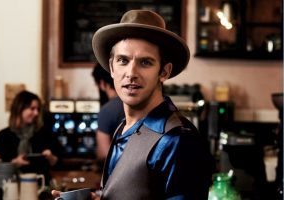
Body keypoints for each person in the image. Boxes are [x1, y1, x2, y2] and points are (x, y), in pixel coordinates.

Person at [53, 9, 215, 199]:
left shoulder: (178, 140)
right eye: (123, 60)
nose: (131, 72)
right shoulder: (124, 126)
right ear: (112, 67)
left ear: (164, 72)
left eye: (145, 62)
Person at [0, 90, 62, 185]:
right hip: (11, 187)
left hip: (40, 187)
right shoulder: (3, 135)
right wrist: (14, 163)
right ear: (20, 108)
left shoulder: (45, 133)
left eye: (38, 109)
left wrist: (51, 158)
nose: (36, 113)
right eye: (32, 108)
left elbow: (59, 163)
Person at [91, 63, 125, 161]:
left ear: (102, 83)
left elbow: (105, 154)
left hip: (116, 172)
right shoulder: (136, 104)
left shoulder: (106, 110)